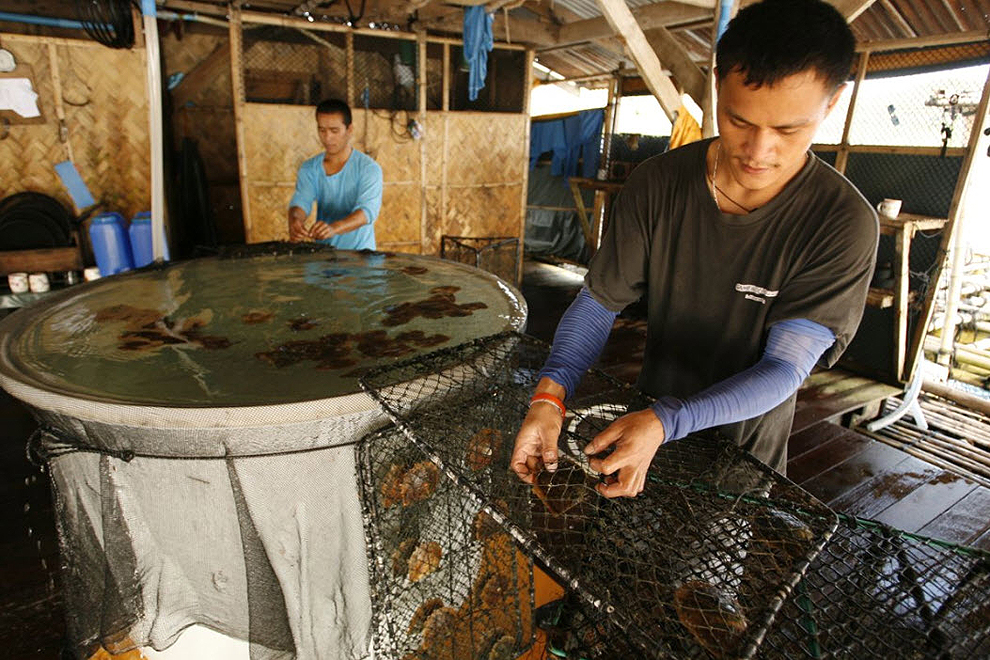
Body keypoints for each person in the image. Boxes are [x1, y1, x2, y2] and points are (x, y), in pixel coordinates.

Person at [511, 0, 878, 497]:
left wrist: (667, 421)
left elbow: (784, 367)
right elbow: (598, 302)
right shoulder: (658, 183)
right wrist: (549, 397)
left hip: (740, 456)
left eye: (788, 130)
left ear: (831, 104)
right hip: (642, 425)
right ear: (716, 82)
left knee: (710, 569)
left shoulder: (841, 222)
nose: (758, 150)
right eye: (739, 120)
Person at [288, 98, 383, 250]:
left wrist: (334, 228)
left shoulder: (369, 169)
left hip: (360, 256)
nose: (327, 138)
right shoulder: (309, 168)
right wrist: (295, 221)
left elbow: (366, 212)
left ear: (349, 130)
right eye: (322, 130)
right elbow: (301, 202)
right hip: (323, 254)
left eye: (334, 131)